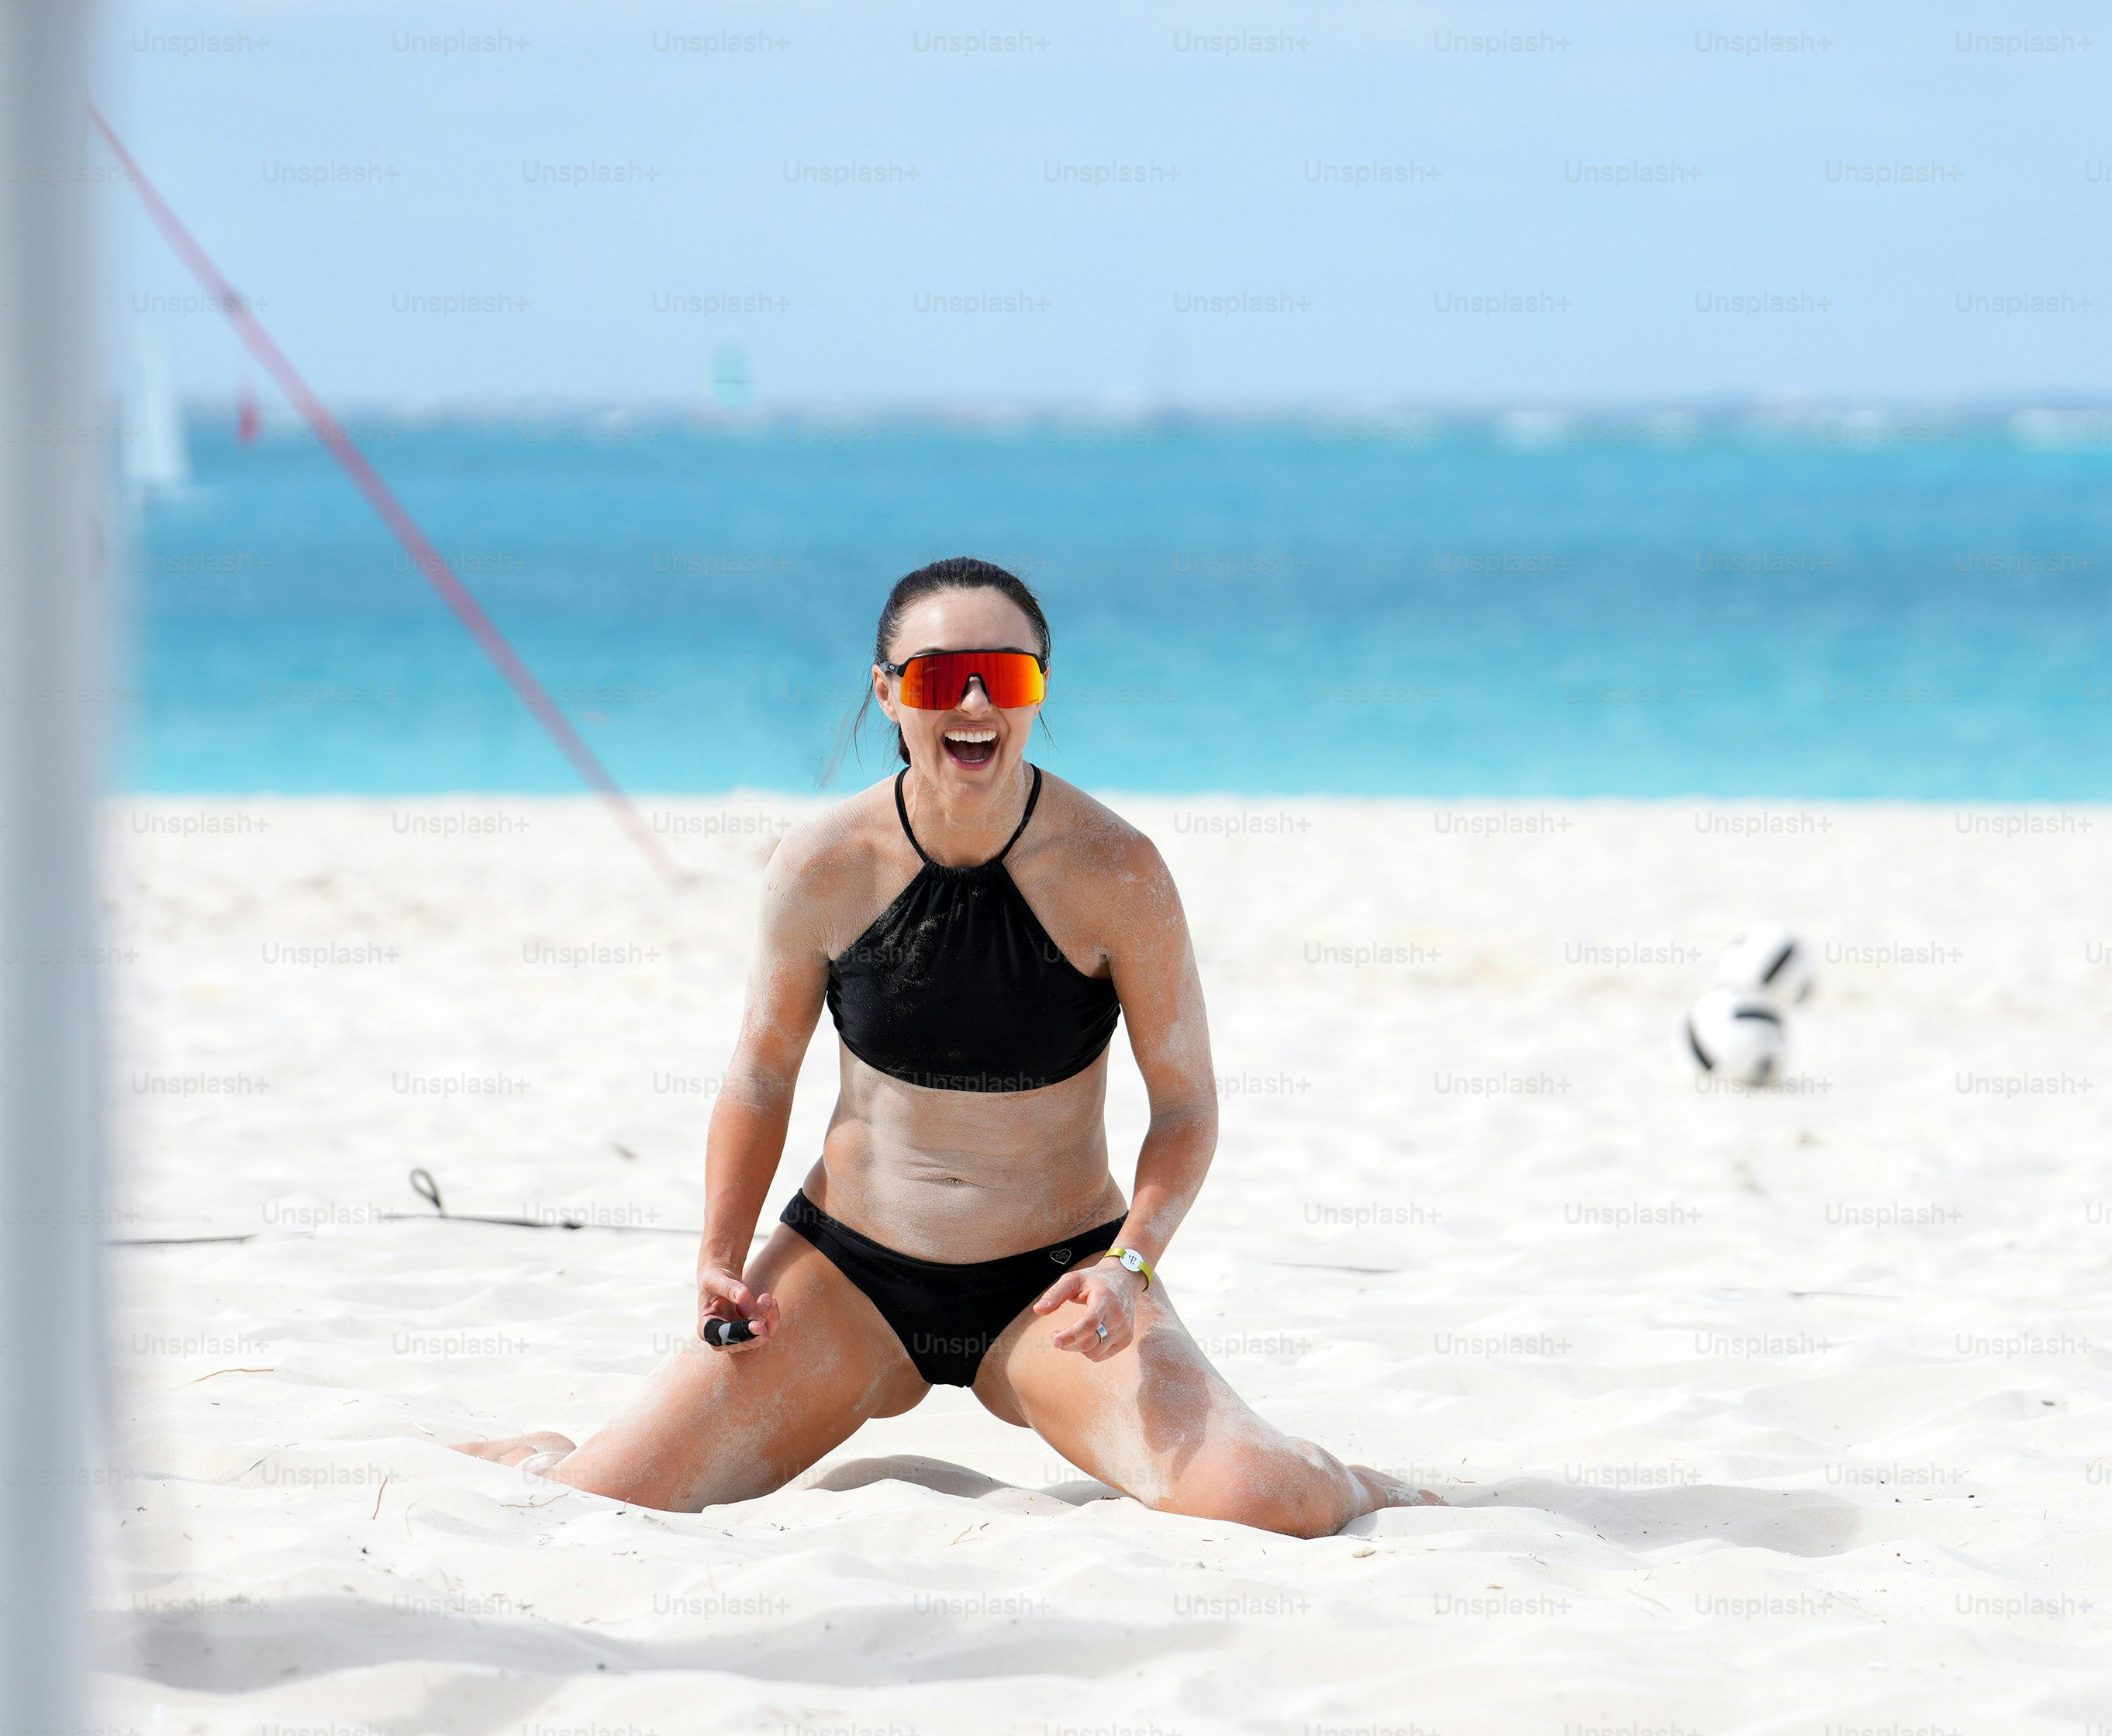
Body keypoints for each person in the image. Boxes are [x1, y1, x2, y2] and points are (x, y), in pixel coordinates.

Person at [457, 557, 1441, 1536]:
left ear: (1037, 690)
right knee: (597, 1497)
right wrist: (720, 1255)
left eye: (1005, 674)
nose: (974, 701)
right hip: (845, 1277)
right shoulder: (823, 865)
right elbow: (760, 1076)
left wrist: (1127, 1267)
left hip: (1057, 1287)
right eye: (938, 677)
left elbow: (1186, 1109)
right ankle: (541, 1448)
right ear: (889, 693)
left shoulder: (1117, 870)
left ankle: (1358, 1481)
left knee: (1273, 1502)